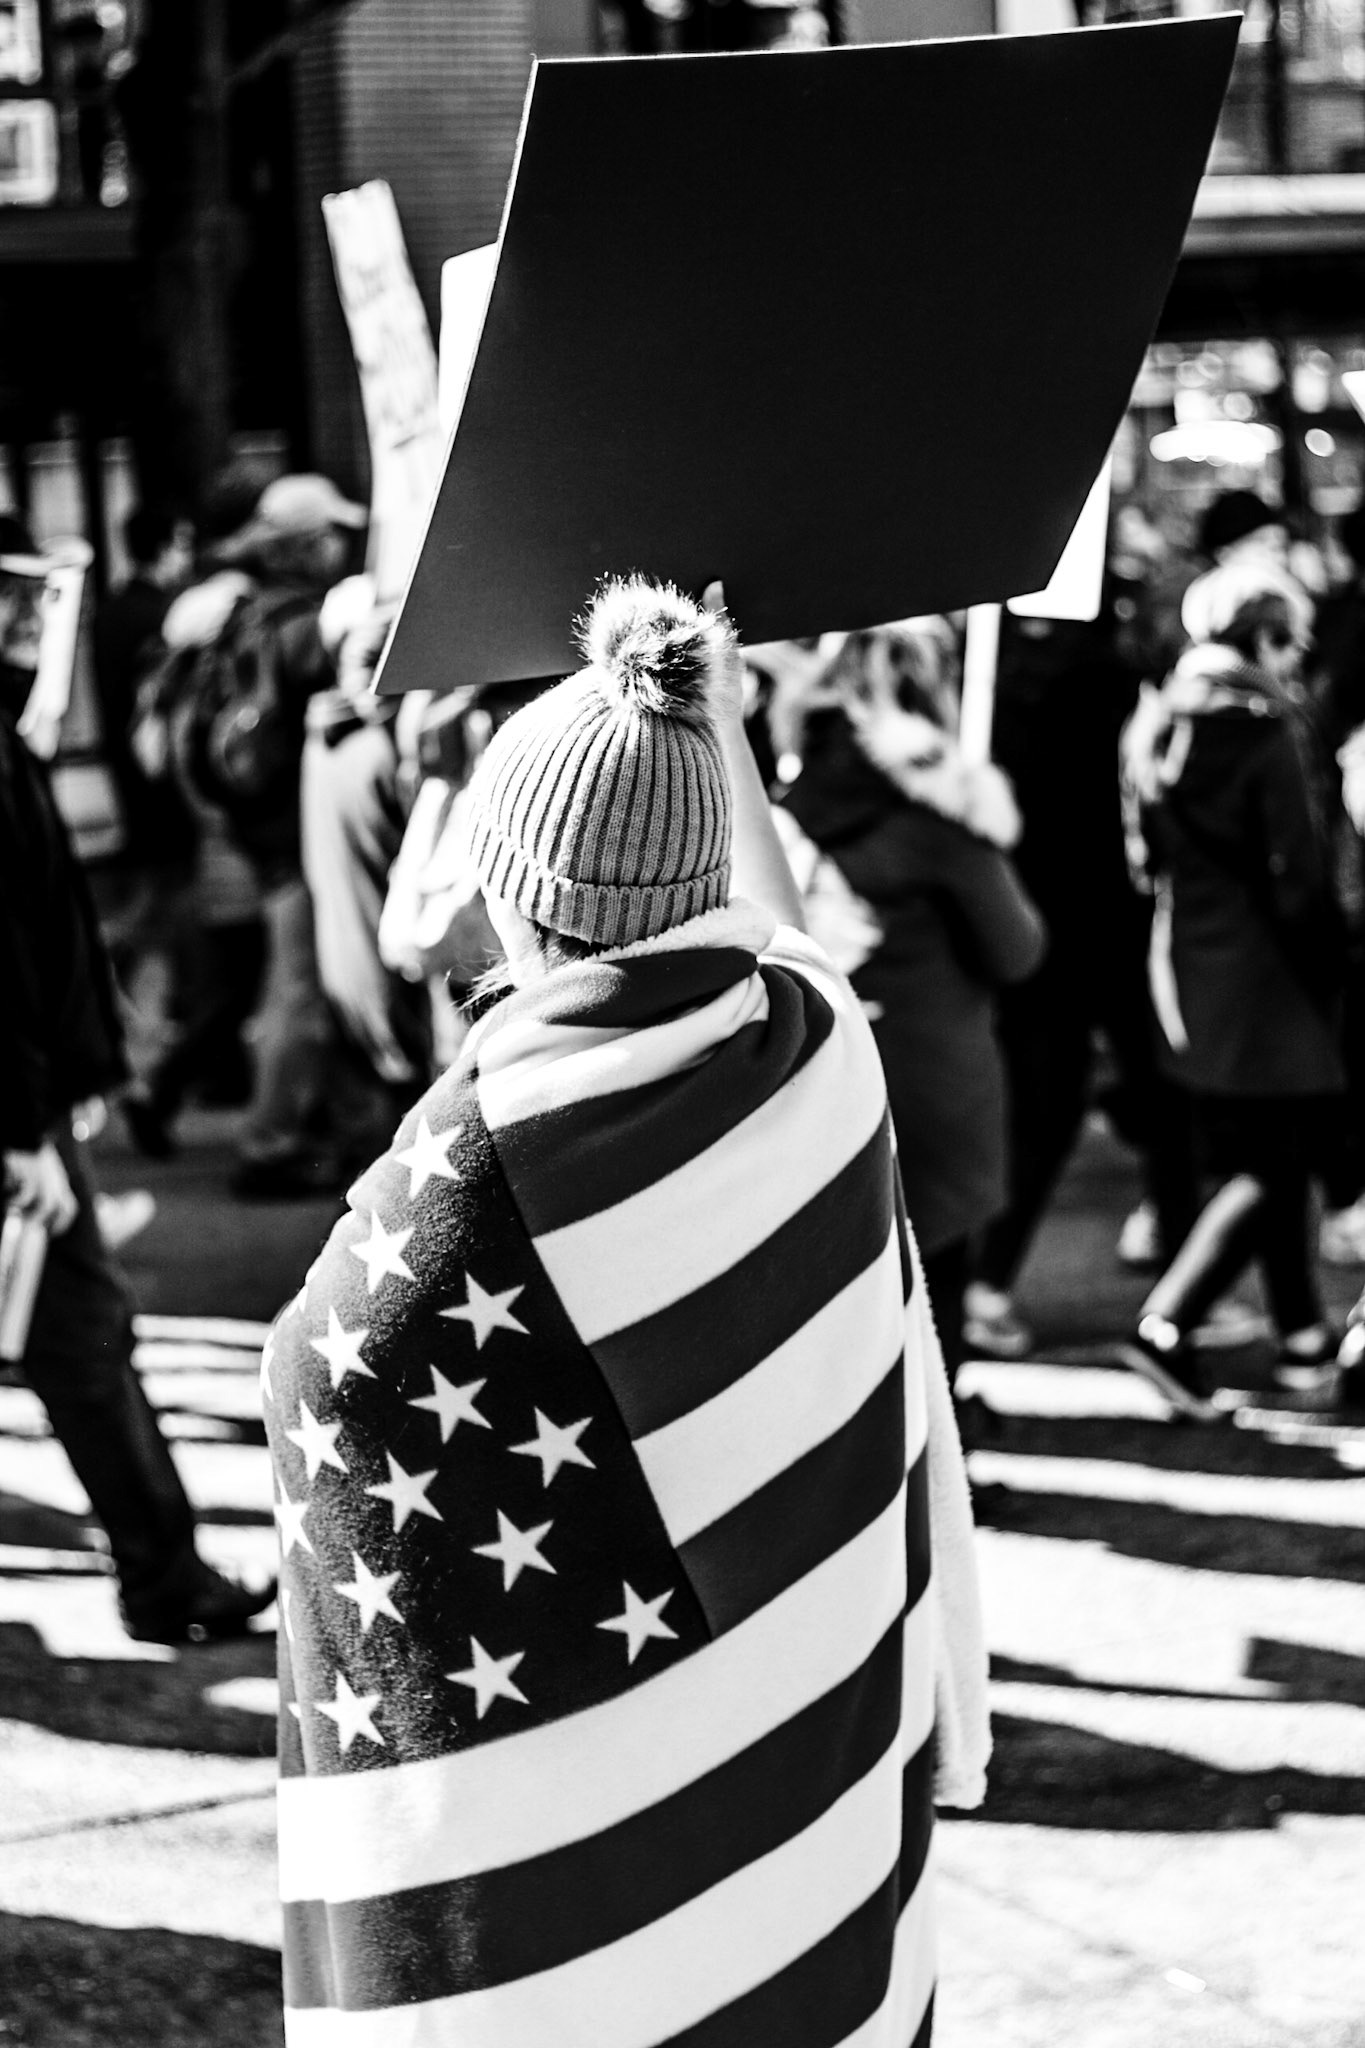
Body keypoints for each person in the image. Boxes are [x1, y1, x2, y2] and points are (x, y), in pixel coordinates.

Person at [265, 577, 986, 2046]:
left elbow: (317, 1383)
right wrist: (715, 724)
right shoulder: (814, 1046)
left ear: (508, 891)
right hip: (802, 1773)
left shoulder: (484, 1153)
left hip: (577, 1847)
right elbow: (779, 922)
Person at [0, 539, 274, 1643]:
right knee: (82, 1336)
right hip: (8, 1119)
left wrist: (71, 1081)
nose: (29, 622)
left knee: (82, 1336)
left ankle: (165, 1570)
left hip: (25, 1104)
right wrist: (22, 1125)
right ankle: (164, 1575)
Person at [779, 618, 1045, 1379]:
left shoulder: (789, 798)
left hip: (824, 1061)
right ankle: (944, 1460)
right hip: (933, 1070)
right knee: (936, 1283)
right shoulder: (936, 817)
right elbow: (1017, 948)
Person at [1119, 560, 1343, 1418]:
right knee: (1276, 1160)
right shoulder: (1266, 726)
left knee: (1266, 1149)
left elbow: (1140, 860)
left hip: (1183, 958)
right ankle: (1166, 1324)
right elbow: (1299, 872)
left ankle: (1300, 1342)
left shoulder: (1150, 720)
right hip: (1269, 969)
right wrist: (1334, 964)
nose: (1295, 659)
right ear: (1260, 636)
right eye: (1290, 639)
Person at [966, 577, 1199, 1360]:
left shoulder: (992, 689)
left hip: (1033, 923)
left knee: (1043, 1111)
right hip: (1112, 922)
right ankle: (1184, 1286)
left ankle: (988, 1286)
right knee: (1161, 1097)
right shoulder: (1116, 683)